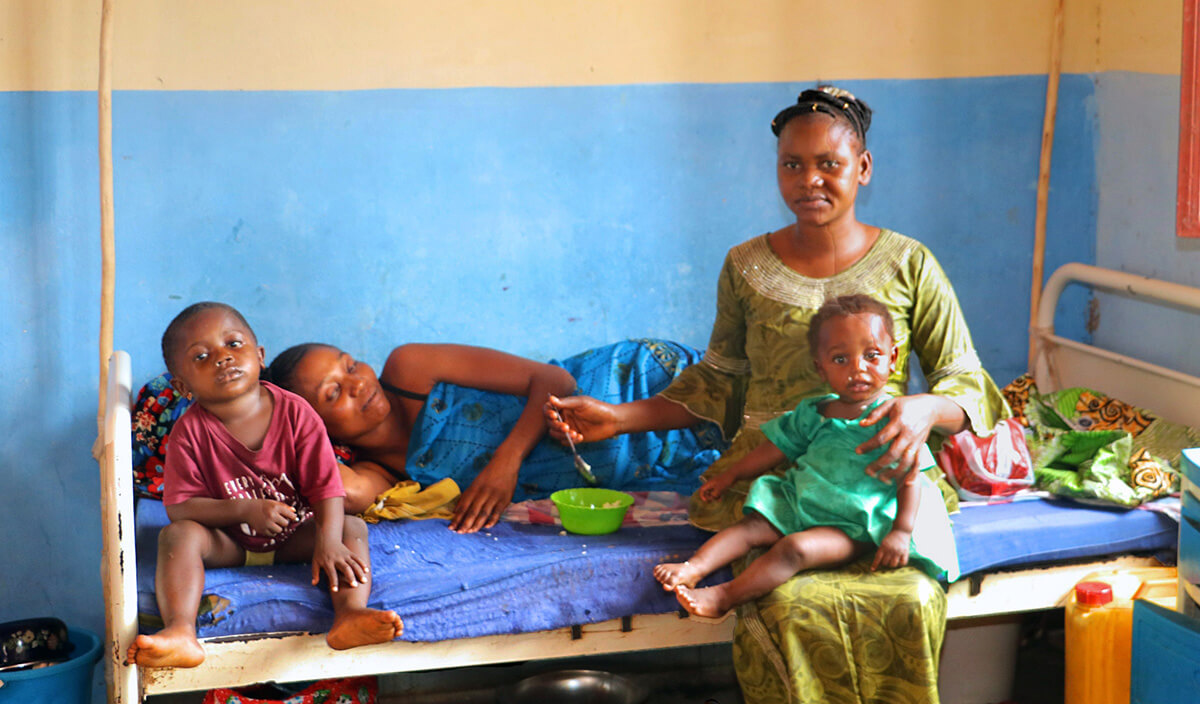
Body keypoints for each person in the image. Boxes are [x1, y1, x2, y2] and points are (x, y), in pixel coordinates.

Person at [545, 86, 1009, 702]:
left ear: (863, 169)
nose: (809, 180)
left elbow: (966, 382)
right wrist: (619, 418)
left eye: (830, 164)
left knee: (913, 597)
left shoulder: (910, 264)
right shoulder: (746, 267)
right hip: (776, 487)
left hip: (882, 492)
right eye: (793, 164)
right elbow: (717, 381)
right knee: (786, 599)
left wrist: (924, 408)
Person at [127, 302, 402, 669]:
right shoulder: (189, 433)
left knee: (350, 528)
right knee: (176, 537)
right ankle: (180, 631)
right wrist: (242, 509)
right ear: (183, 386)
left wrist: (328, 541)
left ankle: (351, 614)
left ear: (259, 356)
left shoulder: (297, 413)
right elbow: (181, 507)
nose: (223, 359)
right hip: (228, 541)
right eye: (202, 356)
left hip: (295, 535)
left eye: (234, 344)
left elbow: (326, 486)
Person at [654, 295, 958, 623]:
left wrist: (901, 531)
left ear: (893, 358)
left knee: (795, 549)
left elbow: (910, 477)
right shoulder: (814, 411)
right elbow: (773, 450)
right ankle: (693, 568)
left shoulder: (896, 418)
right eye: (841, 359)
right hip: (802, 504)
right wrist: (731, 475)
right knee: (750, 526)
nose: (858, 368)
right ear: (820, 367)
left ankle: (724, 596)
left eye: (872, 356)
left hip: (852, 524)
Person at [266, 338, 724, 534]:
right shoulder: (381, 478)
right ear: (315, 426)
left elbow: (554, 379)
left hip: (635, 384)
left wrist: (505, 464)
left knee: (774, 409)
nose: (358, 383)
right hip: (651, 460)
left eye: (350, 365)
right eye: (334, 393)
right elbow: (331, 485)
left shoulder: (408, 369)